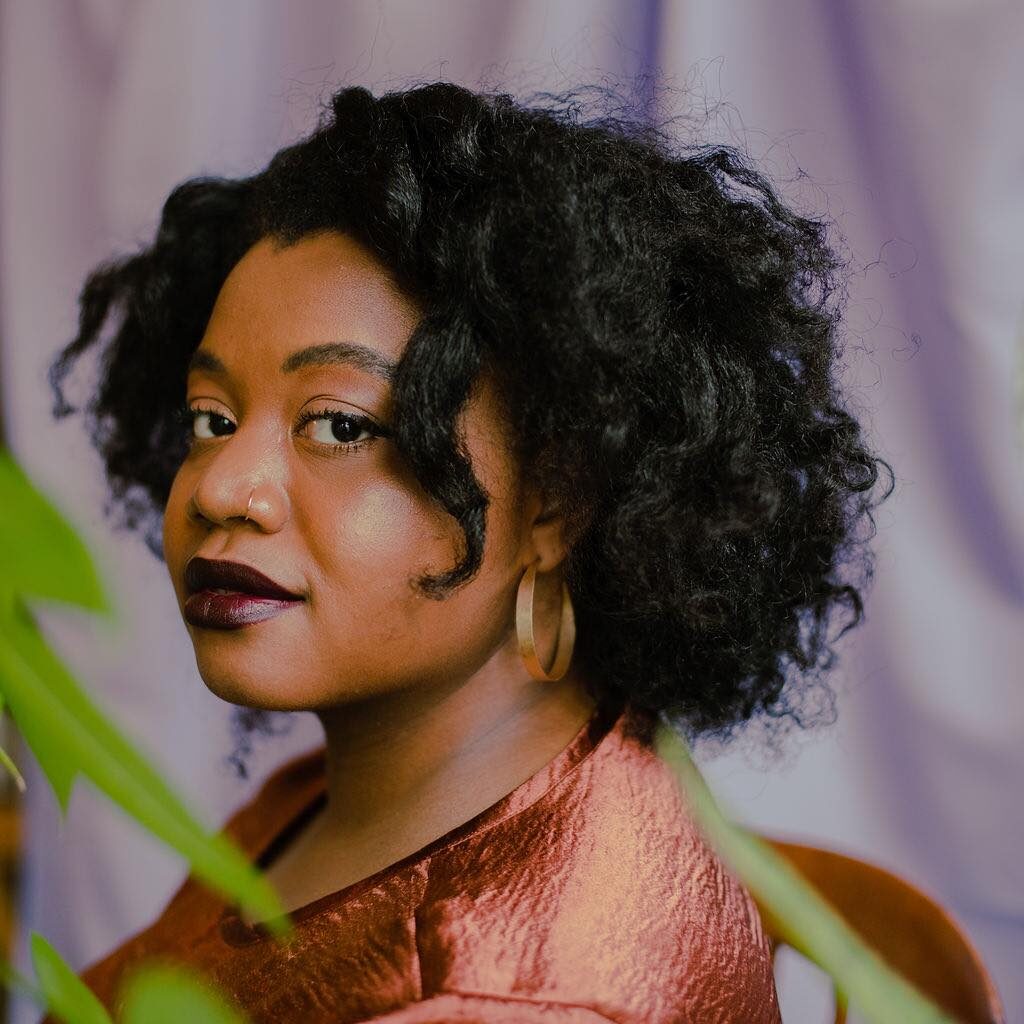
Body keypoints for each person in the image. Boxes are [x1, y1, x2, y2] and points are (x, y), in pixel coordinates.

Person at [44, 79, 891, 1023]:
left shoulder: (498, 994)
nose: (217, 488)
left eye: (337, 425)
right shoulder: (353, 790)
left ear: (554, 503)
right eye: (212, 418)